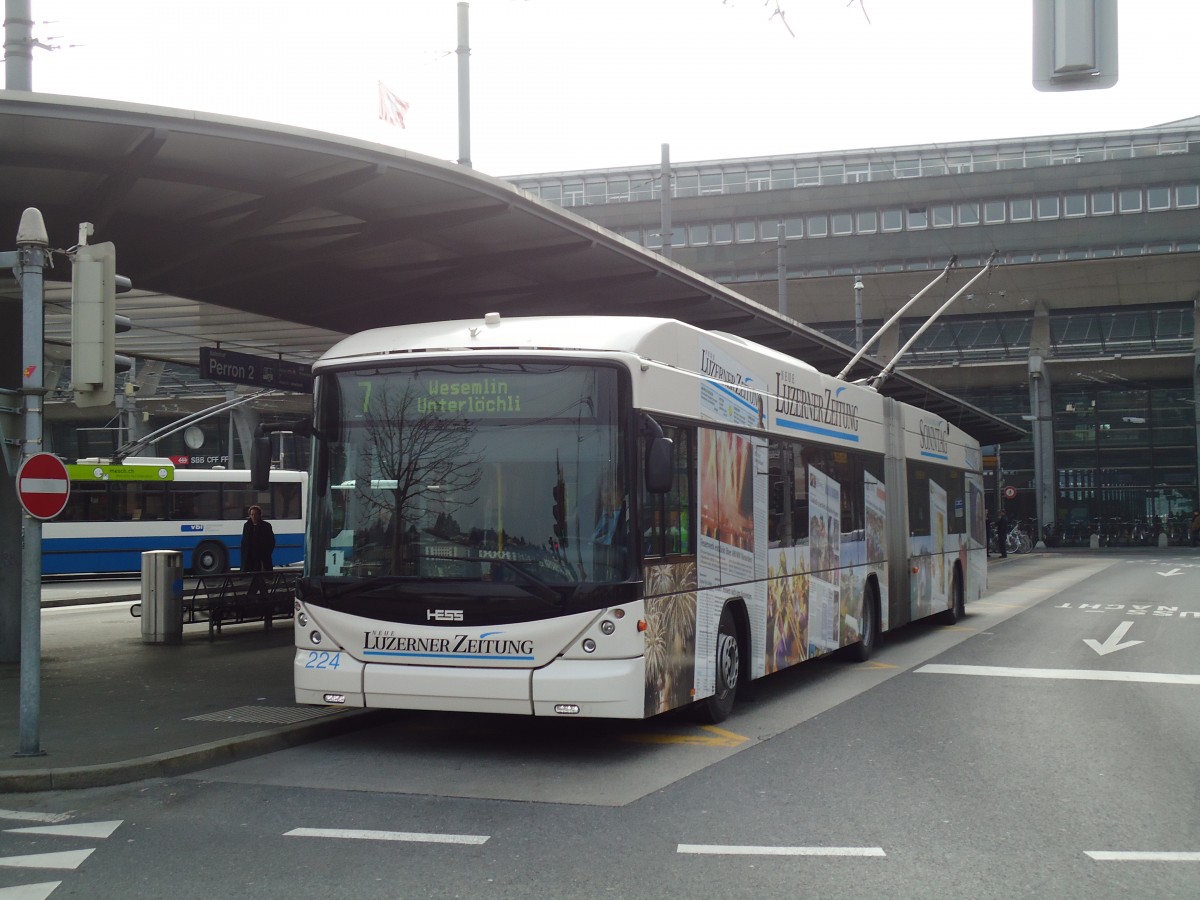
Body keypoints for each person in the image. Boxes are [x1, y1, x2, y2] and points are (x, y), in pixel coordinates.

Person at [241, 505, 276, 596]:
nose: (253, 516)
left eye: (255, 514)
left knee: (258, 576)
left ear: (260, 515)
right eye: (252, 514)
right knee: (257, 576)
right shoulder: (247, 526)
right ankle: (263, 597)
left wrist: (267, 553)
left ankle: (252, 596)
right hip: (251, 557)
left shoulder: (266, 526)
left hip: (262, 557)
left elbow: (271, 541)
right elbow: (244, 542)